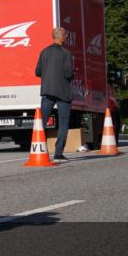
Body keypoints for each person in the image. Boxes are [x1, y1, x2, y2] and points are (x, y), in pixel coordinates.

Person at [34, 27, 74, 162]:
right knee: (63, 123)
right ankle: (58, 154)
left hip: (47, 91)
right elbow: (69, 73)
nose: (67, 37)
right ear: (61, 37)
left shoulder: (44, 52)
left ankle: (39, 149)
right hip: (63, 92)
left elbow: (38, 72)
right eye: (65, 35)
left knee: (41, 123)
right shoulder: (66, 53)